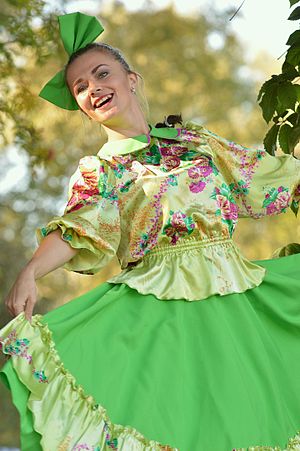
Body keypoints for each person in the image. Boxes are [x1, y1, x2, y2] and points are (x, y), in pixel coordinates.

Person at [1, 11, 300, 451]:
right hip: (159, 314)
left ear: (131, 79)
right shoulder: (100, 170)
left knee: (251, 419)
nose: (93, 88)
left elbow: (263, 175)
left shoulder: (195, 142)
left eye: (102, 74)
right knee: (174, 419)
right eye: (80, 88)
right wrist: (30, 272)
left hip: (235, 301)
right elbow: (78, 228)